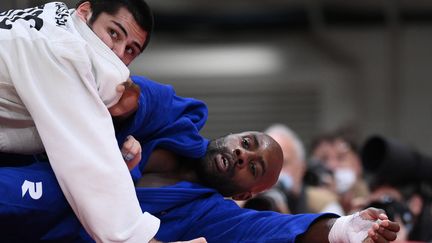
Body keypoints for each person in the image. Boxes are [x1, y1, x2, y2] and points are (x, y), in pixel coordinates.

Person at [0, 130, 399, 242]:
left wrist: (345, 230)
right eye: (246, 143)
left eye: (252, 166)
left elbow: (280, 230)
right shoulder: (170, 130)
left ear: (244, 194)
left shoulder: (215, 216)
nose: (243, 155)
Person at [0, 0, 169, 242]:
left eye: (130, 50)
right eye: (113, 33)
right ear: (85, 11)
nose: (118, 53)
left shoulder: (53, 21)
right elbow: (86, 162)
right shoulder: (64, 51)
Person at [244, 124, 344, 215]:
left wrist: (286, 220)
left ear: (302, 168)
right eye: (267, 165)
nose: (275, 172)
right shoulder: (246, 201)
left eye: (284, 163)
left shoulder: (324, 205)